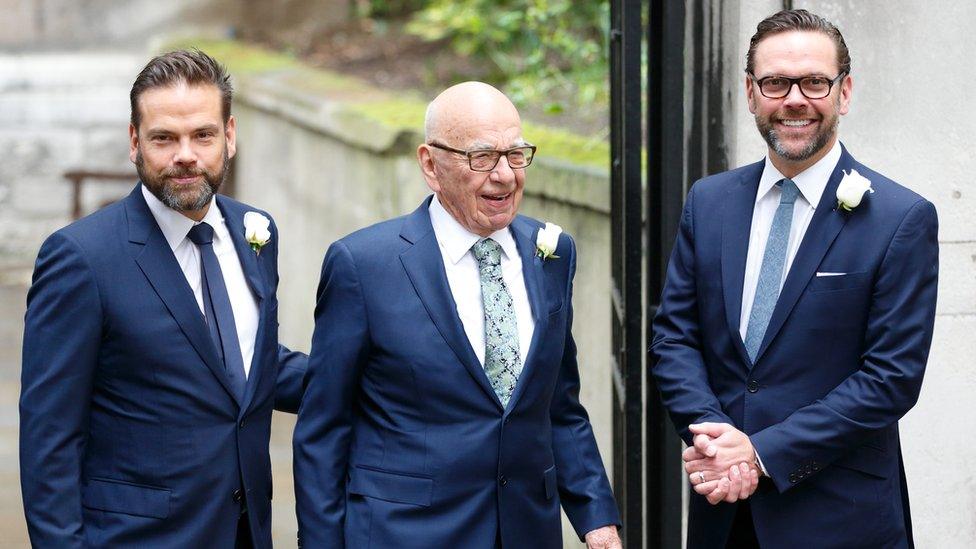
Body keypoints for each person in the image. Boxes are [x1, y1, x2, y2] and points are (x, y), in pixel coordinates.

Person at [650, 9, 938, 549]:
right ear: (752, 93)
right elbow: (673, 338)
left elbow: (890, 378)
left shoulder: (902, 218)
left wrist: (761, 455)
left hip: (839, 520)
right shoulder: (707, 202)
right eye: (776, 82)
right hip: (723, 513)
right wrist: (715, 440)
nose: (795, 99)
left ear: (844, 91)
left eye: (814, 82)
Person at [293, 81, 621, 549]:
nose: (505, 175)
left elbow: (559, 406)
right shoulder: (363, 266)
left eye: (516, 154)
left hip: (527, 531)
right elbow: (323, 430)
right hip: (404, 534)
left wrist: (596, 519)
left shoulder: (552, 254)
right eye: (482, 157)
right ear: (431, 164)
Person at [20, 50, 307, 548]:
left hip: (246, 530)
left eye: (203, 135)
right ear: (135, 142)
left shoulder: (256, 233)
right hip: (137, 536)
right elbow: (50, 439)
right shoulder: (81, 259)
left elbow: (245, 363)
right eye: (163, 138)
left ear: (230, 135)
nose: (185, 155)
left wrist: (366, 371)